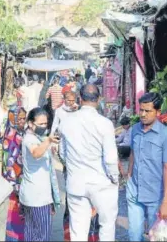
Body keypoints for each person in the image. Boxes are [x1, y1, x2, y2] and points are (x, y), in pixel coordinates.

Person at [59, 84, 119, 241]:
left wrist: (73, 167)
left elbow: (62, 154)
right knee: (107, 226)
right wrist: (115, 178)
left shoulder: (66, 122)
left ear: (80, 98)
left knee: (78, 231)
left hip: (76, 183)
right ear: (98, 100)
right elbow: (111, 158)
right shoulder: (105, 124)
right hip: (101, 184)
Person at [126, 92, 167, 241]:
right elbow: (133, 153)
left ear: (158, 112)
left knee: (154, 235)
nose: (143, 114)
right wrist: (129, 176)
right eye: (141, 110)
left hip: (155, 195)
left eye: (147, 111)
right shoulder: (135, 129)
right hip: (134, 191)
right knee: (134, 235)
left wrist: (166, 202)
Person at [19, 107, 60, 241]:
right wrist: (48, 141)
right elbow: (36, 153)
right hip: (37, 198)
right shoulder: (29, 139)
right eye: (40, 124)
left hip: (35, 196)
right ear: (30, 123)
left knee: (31, 235)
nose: (43, 126)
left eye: (45, 123)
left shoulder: (38, 137)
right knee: (42, 236)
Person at [1, 106, 27, 241]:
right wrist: (15, 185)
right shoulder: (11, 136)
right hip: (13, 184)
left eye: (24, 118)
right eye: (19, 118)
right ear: (12, 118)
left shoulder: (21, 133)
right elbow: (8, 164)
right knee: (14, 216)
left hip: (21, 180)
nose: (22, 121)